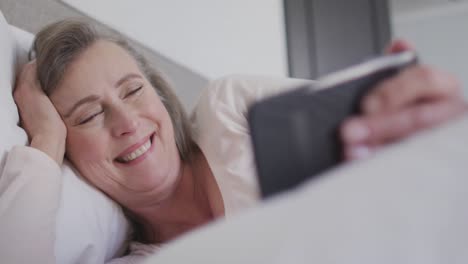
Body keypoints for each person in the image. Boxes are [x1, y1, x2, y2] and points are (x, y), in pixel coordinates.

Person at [10, 19, 468, 263]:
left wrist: (424, 128)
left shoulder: (229, 109)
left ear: (160, 94)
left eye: (132, 90)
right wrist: (44, 144)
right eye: (89, 115)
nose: (126, 121)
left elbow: (381, 140)